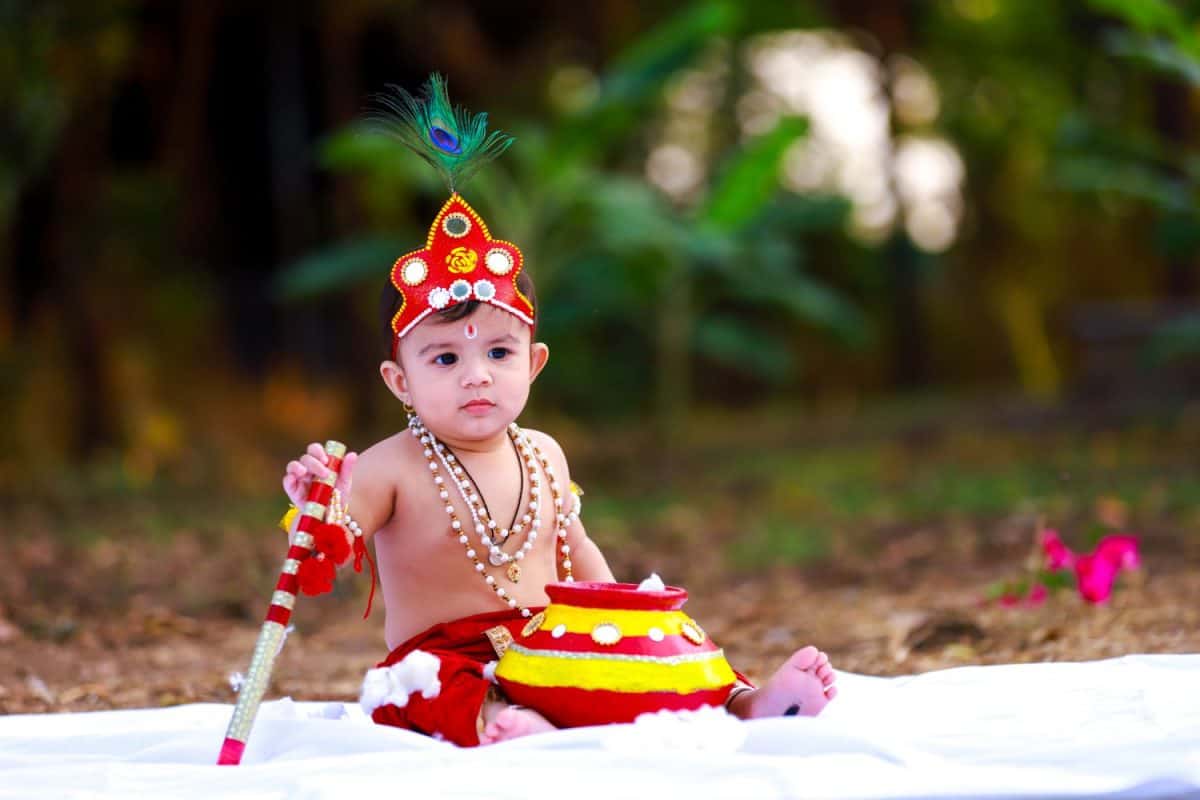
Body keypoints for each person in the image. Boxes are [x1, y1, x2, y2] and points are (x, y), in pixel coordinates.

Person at [280, 77, 837, 747]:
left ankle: (744, 700)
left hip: (547, 645)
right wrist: (317, 504)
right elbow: (330, 544)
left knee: (658, 652)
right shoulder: (390, 466)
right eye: (445, 360)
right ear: (400, 382)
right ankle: (496, 723)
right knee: (425, 686)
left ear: (534, 362)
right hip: (449, 655)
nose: (477, 375)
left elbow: (574, 550)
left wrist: (622, 628)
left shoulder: (542, 453)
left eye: (497, 351)